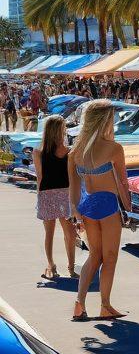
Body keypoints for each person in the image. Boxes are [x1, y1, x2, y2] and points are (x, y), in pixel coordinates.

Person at [68, 100, 130, 322]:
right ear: (105, 120)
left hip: (87, 207)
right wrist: (129, 209)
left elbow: (73, 189)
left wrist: (76, 216)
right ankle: (105, 305)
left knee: (94, 255)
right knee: (110, 257)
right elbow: (123, 183)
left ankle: (79, 303)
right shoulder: (114, 148)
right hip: (108, 206)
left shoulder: (75, 151)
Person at [33, 114, 75, 281]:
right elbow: (72, 177)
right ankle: (70, 268)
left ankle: (51, 265)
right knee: (69, 233)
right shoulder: (69, 151)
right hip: (65, 193)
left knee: (49, 233)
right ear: (59, 130)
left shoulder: (38, 152)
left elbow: (39, 177)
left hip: (47, 193)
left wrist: (39, 197)